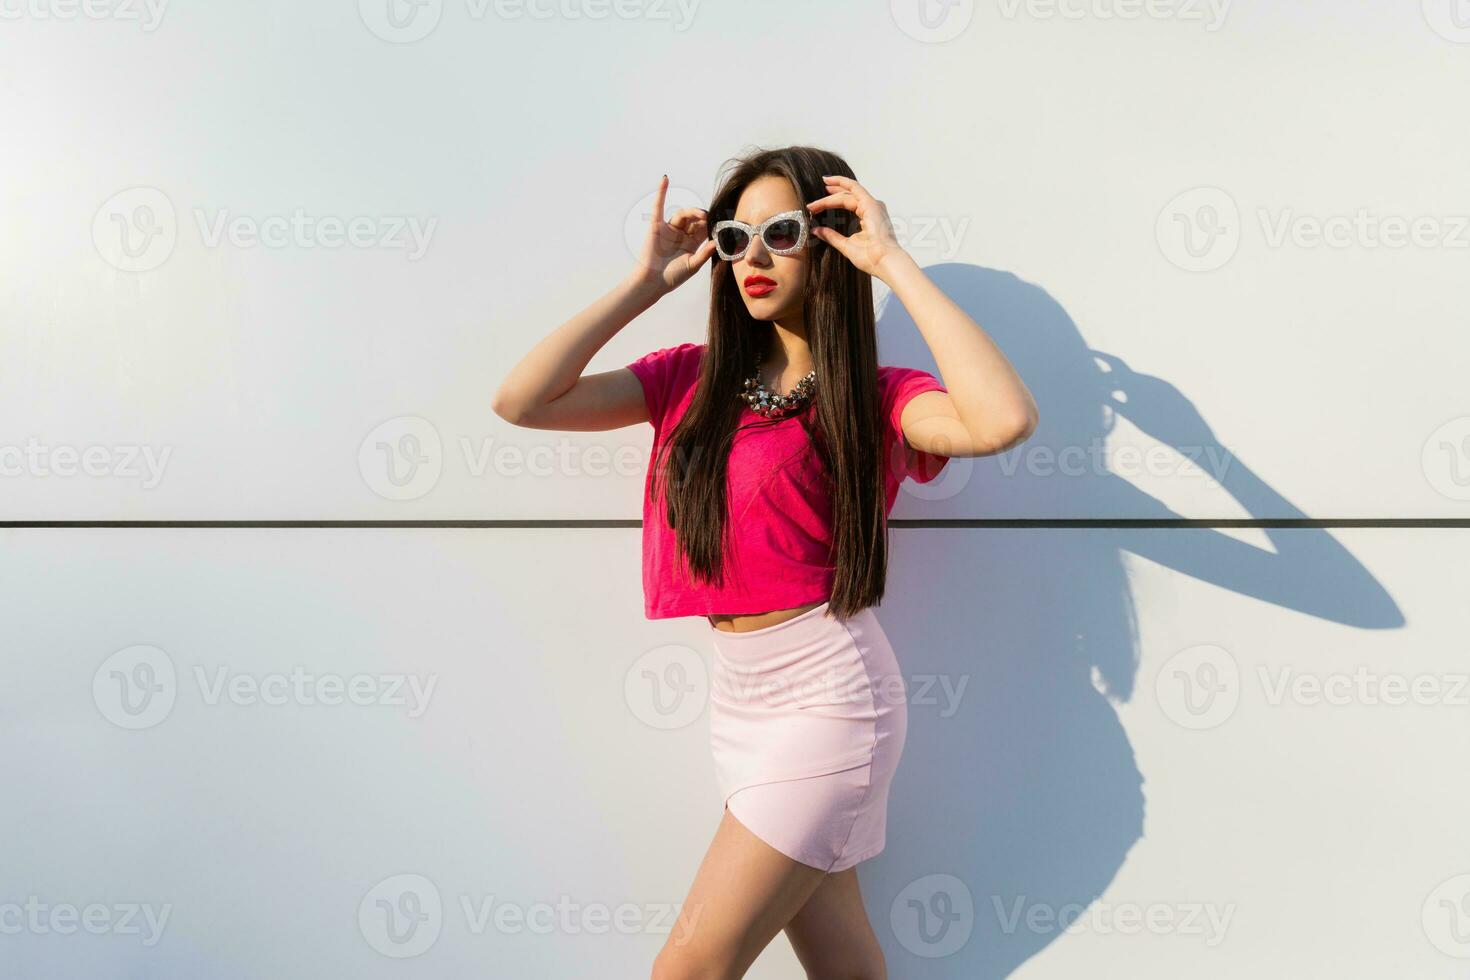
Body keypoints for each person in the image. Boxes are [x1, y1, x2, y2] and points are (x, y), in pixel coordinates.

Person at [493, 145, 1038, 979]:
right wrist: (646, 284)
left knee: (690, 969)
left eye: (782, 232)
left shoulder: (879, 396)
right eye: (734, 236)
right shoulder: (690, 381)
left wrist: (890, 260)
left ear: (831, 242)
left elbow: (1000, 419)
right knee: (844, 966)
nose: (753, 255)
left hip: (830, 697)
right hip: (740, 704)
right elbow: (523, 401)